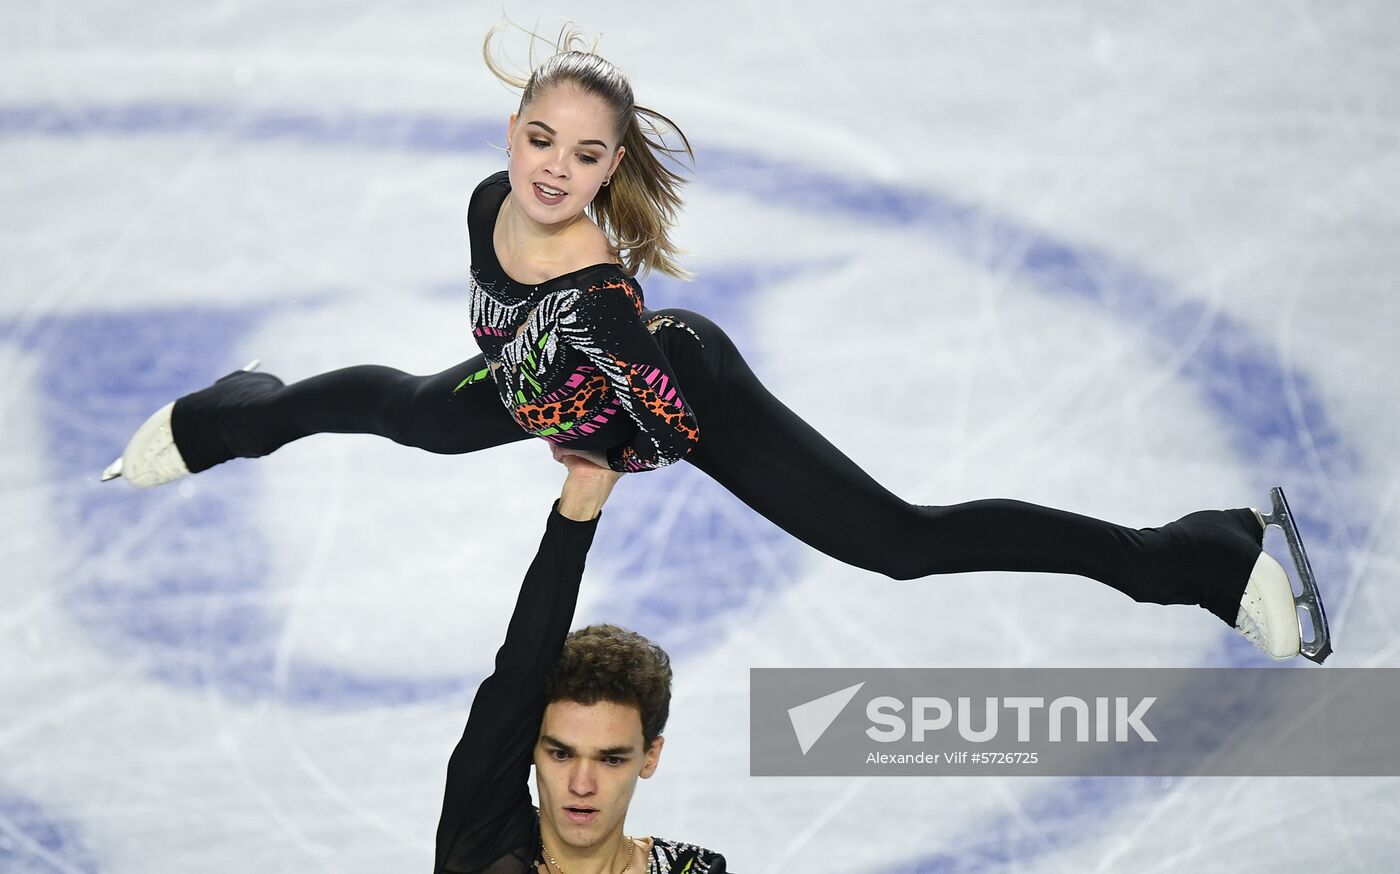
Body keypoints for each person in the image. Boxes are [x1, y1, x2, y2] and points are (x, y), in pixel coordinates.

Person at [100, 25, 1328, 663]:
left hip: (665, 386)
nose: (551, 172)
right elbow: (498, 317)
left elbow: (662, 435)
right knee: (411, 405)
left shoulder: (597, 298)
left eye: (585, 160)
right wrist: (545, 404)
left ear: (613, 168)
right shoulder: (489, 201)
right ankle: (231, 415)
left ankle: (1190, 559)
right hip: (548, 377)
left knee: (898, 545)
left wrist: (583, 443)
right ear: (514, 127)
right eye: (540, 140)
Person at [435, 452, 725, 873]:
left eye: (611, 759)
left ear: (650, 757)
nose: (581, 785)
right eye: (560, 754)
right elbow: (520, 670)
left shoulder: (693, 870)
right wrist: (582, 500)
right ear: (529, 748)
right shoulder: (484, 845)